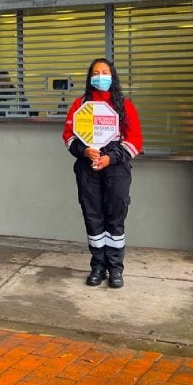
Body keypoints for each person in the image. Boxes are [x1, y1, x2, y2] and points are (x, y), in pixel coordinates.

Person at [61, 58, 143, 289]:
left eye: (104, 72)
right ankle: (98, 266)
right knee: (93, 217)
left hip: (116, 170)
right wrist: (84, 151)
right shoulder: (80, 104)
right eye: (96, 72)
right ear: (90, 77)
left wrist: (111, 158)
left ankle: (115, 269)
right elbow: (68, 135)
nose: (100, 76)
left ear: (112, 76)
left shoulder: (124, 106)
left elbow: (134, 140)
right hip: (88, 169)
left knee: (115, 219)